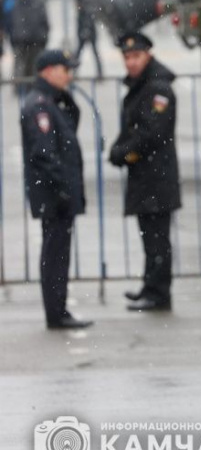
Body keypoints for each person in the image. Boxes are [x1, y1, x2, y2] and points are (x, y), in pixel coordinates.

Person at [109, 32, 182, 311]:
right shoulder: (144, 85)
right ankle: (151, 285)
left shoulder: (157, 88)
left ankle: (159, 292)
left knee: (157, 238)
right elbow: (133, 127)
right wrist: (120, 148)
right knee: (149, 236)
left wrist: (125, 153)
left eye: (136, 56)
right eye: (127, 57)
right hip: (146, 175)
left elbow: (153, 134)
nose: (131, 62)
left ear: (148, 55)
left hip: (156, 175)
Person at [21, 50, 92, 330]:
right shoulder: (40, 106)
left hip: (57, 192)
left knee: (58, 253)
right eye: (65, 69)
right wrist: (62, 189)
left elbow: (70, 127)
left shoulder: (51, 101)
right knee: (55, 255)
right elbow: (44, 154)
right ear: (48, 71)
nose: (69, 75)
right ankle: (56, 312)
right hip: (54, 194)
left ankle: (58, 309)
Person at [10, 0, 49, 83]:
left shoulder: (16, 5)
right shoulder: (37, 4)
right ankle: (26, 90)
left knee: (23, 70)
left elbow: (11, 24)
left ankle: (22, 90)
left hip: (24, 41)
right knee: (31, 70)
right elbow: (45, 23)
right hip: (31, 41)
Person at [75, 0, 102, 79]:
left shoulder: (84, 9)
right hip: (85, 34)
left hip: (88, 34)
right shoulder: (83, 9)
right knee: (81, 54)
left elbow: (87, 21)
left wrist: (85, 32)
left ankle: (100, 73)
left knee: (93, 53)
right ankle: (74, 71)